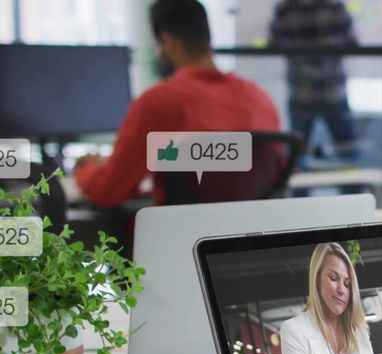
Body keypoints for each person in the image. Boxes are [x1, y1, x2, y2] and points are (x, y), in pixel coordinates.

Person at [74, 0, 283, 207]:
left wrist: (86, 167)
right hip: (250, 227)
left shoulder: (159, 102)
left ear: (167, 42)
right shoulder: (259, 99)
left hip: (176, 228)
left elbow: (107, 190)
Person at [270, 0, 359, 162]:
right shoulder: (334, 6)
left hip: (301, 90)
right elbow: (352, 43)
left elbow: (275, 45)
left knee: (297, 157)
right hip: (332, 90)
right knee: (347, 153)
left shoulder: (286, 9)